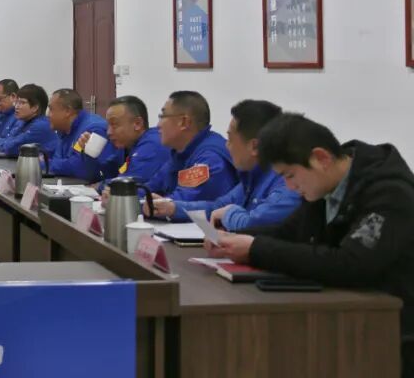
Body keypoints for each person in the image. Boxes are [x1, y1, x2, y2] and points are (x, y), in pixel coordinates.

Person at [210, 113, 414, 374]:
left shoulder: (390, 193)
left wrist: (255, 249)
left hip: (392, 332)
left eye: (290, 175)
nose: (289, 186)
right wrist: (233, 239)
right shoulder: (326, 185)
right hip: (347, 319)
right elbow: (288, 232)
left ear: (321, 158)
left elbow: (351, 264)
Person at [150, 99, 300, 228]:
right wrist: (173, 208)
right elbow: (217, 207)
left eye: (230, 139)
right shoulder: (252, 177)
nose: (227, 146)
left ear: (254, 147)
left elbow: (257, 223)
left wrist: (229, 213)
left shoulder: (288, 182)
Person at [143, 91, 236, 210]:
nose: (158, 125)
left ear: (184, 122)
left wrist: (146, 203)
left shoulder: (210, 158)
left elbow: (180, 203)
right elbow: (150, 187)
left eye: (162, 116)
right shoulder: (181, 153)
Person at [91, 96, 166, 190]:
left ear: (137, 124)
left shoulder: (152, 144)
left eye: (114, 124)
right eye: (108, 125)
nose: (109, 132)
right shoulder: (126, 146)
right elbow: (103, 173)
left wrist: (100, 186)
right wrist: (89, 156)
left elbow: (129, 184)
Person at [43, 88, 116, 181]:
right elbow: (59, 160)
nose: (48, 115)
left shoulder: (94, 129)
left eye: (51, 109)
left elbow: (79, 168)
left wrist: (44, 164)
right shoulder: (63, 130)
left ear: (67, 111)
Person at [0, 83, 58, 158]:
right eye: (17, 102)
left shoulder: (40, 126)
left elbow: (10, 147)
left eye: (22, 103)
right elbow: (8, 141)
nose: (16, 106)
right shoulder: (23, 122)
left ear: (35, 108)